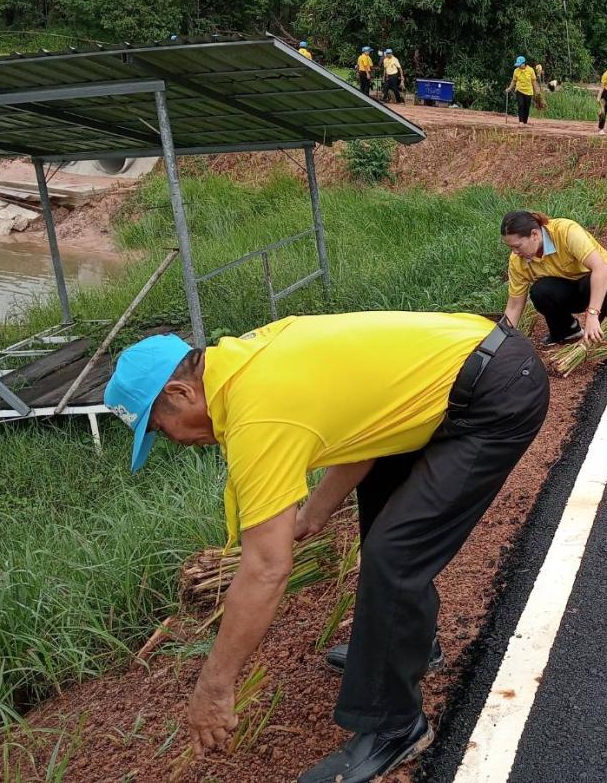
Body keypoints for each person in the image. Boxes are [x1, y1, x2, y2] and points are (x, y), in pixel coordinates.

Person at [102, 312, 549, 783]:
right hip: (468, 367)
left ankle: (396, 726)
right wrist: (313, 514)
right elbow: (366, 429)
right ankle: (413, 648)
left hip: (495, 395)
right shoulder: (246, 359)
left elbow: (266, 569)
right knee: (384, 517)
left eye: (159, 429)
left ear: (180, 393)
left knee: (393, 556)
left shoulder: (257, 411)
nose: (174, 442)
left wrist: (214, 685)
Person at [501, 210, 607, 345]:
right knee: (540, 291)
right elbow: (514, 305)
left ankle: (597, 331)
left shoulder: (566, 232)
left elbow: (600, 269)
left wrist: (592, 314)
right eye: (511, 247)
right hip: (574, 292)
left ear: (535, 234)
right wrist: (501, 341)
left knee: (588, 282)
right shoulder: (517, 261)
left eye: (517, 246)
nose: (515, 252)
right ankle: (567, 331)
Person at [506, 56, 538, 125]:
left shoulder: (530, 70)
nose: (519, 66)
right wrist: (509, 88)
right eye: (518, 65)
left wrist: (536, 91)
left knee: (526, 107)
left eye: (520, 64)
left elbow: (534, 81)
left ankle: (525, 122)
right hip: (519, 90)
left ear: (524, 63)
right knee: (521, 105)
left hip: (529, 92)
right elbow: (514, 81)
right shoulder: (516, 71)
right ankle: (521, 122)